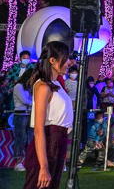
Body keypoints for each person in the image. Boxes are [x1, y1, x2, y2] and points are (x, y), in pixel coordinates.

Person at [23, 41, 73, 189]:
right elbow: (38, 129)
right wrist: (44, 166)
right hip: (48, 143)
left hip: (58, 142)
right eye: (66, 58)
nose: (69, 62)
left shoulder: (56, 84)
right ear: (53, 61)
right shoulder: (43, 86)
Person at [13, 68, 34, 172]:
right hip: (20, 115)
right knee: (21, 138)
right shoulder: (18, 86)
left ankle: (29, 161)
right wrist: (36, 103)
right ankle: (17, 162)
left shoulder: (29, 87)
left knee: (31, 138)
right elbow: (24, 100)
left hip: (30, 114)